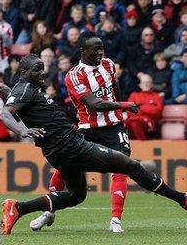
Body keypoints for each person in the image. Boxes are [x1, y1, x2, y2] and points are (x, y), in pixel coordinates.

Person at [0, 54, 187, 235]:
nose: (42, 74)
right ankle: (183, 199)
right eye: (37, 70)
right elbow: (6, 114)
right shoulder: (25, 88)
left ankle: (17, 208)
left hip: (61, 150)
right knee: (129, 165)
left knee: (76, 196)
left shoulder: (26, 89)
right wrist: (22, 131)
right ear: (24, 72)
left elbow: (22, 105)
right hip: (71, 147)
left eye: (42, 70)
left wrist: (10, 94)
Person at [28, 32, 135, 233]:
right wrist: (124, 105)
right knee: (65, 166)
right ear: (82, 51)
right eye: (95, 49)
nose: (100, 52)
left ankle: (115, 219)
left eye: (102, 48)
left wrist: (120, 111)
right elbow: (93, 104)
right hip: (88, 127)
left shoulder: (109, 65)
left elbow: (115, 86)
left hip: (114, 127)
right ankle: (49, 212)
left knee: (121, 169)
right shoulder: (74, 74)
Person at [125, 74, 164, 140]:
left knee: (134, 124)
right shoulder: (134, 95)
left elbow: (157, 112)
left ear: (152, 84)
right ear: (140, 84)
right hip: (134, 121)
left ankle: (144, 146)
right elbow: (129, 111)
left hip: (150, 123)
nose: (146, 84)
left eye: (148, 82)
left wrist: (140, 107)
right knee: (126, 124)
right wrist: (147, 109)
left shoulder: (157, 96)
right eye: (144, 82)